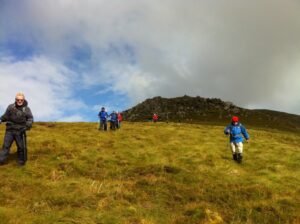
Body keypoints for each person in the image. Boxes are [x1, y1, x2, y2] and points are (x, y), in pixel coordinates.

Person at [0, 92, 33, 166]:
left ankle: (21, 162)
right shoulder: (10, 107)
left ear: (23, 100)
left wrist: (27, 126)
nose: (19, 101)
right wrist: (1, 119)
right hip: (10, 130)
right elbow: (5, 116)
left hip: (20, 131)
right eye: (18, 100)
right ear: (15, 99)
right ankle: (1, 161)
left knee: (21, 147)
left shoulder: (26, 109)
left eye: (21, 100)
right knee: (6, 146)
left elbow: (30, 118)